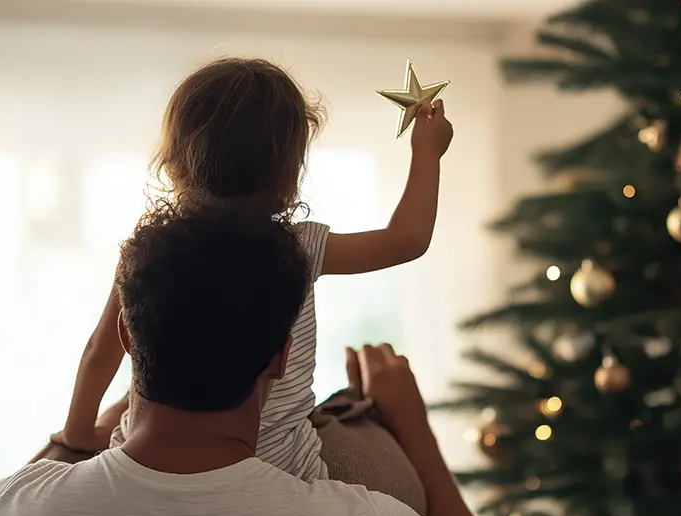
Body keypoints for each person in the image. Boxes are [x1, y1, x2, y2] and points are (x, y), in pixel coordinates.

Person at [0, 204, 497, 516]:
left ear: (126, 335)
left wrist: (89, 427)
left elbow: (57, 467)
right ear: (281, 357)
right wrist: (413, 428)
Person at [56, 57, 454, 485]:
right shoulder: (299, 247)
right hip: (281, 466)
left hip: (152, 462)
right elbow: (407, 240)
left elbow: (102, 349)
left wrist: (78, 434)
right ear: (288, 168)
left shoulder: (151, 251)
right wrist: (427, 152)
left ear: (175, 156)